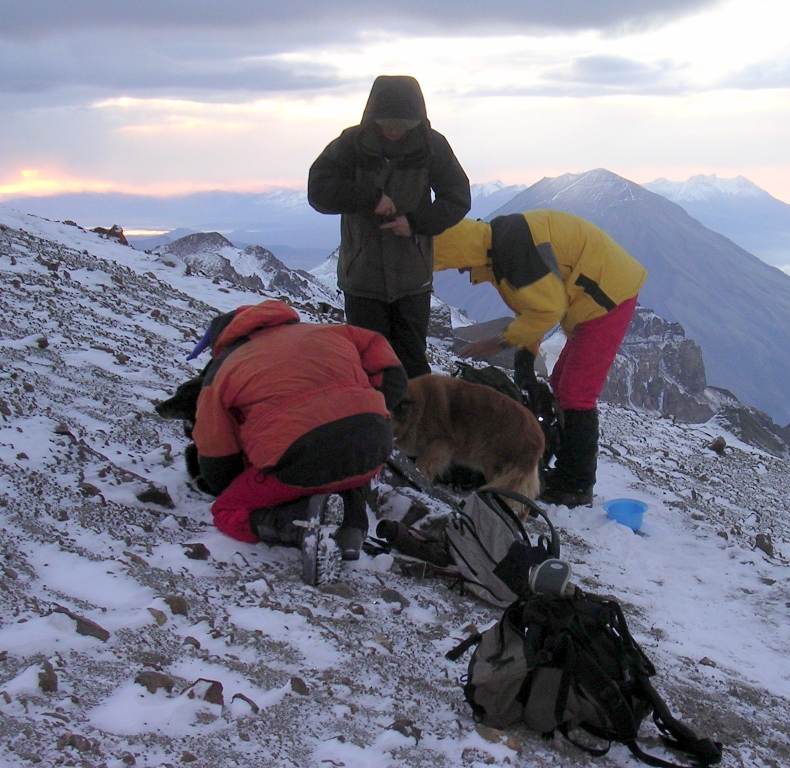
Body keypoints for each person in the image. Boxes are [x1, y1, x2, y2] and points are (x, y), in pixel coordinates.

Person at [433, 209, 648, 508]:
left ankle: (577, 485)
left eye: (455, 265)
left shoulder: (509, 256)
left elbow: (549, 310)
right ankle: (566, 471)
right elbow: (532, 307)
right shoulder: (496, 244)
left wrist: (500, 342)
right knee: (561, 383)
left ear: (460, 251)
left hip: (607, 294)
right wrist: (525, 360)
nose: (461, 272)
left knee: (576, 393)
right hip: (598, 288)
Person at [189, 299, 407, 582]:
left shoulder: (222, 369)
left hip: (301, 458)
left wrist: (247, 477)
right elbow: (394, 376)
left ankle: (303, 526)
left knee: (228, 510)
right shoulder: (333, 331)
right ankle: (351, 529)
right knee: (345, 466)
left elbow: (217, 459)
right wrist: (367, 412)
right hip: (374, 446)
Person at [307, 75, 471, 379]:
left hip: (412, 280)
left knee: (412, 367)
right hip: (363, 280)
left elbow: (458, 198)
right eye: (388, 124)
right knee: (369, 368)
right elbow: (318, 191)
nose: (395, 131)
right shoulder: (351, 145)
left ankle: (411, 425)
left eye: (403, 125)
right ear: (373, 118)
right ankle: (378, 424)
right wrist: (369, 199)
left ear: (416, 121)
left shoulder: (432, 146)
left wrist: (416, 224)